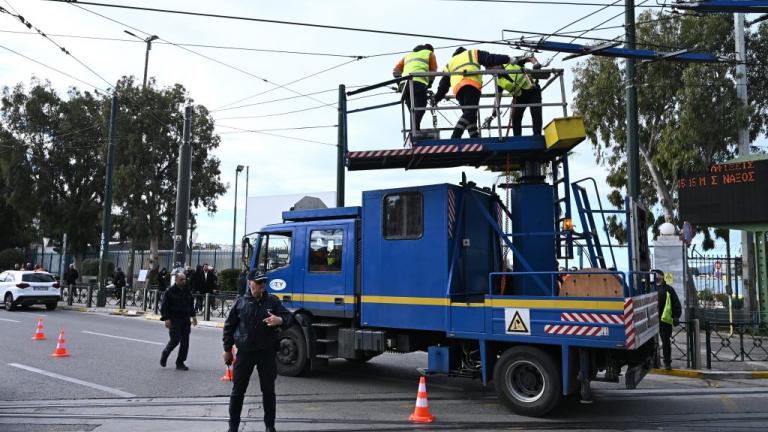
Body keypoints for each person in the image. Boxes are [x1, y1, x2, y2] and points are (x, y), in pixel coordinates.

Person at [223, 272, 292, 432]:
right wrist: (227, 350)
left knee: (268, 390)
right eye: (258, 282)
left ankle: (270, 426)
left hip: (266, 352)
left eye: (264, 282)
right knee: (238, 391)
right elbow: (229, 327)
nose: (262, 285)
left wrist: (279, 320)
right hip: (245, 353)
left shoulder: (272, 301)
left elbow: (289, 318)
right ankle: (233, 427)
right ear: (250, 283)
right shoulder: (240, 302)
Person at [434, 47, 511, 139]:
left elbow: (444, 83)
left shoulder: (450, 62)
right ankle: (456, 135)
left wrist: (437, 98)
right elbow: (490, 59)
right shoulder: (471, 53)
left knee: (470, 114)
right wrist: (509, 59)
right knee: (470, 112)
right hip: (471, 84)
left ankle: (474, 136)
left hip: (458, 89)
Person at [483, 55, 550, 136]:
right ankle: (517, 137)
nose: (492, 73)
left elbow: (530, 57)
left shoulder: (512, 62)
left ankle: (537, 135)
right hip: (520, 97)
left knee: (536, 112)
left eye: (491, 69)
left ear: (495, 64)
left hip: (532, 90)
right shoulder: (499, 82)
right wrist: (493, 114)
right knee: (515, 118)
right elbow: (497, 98)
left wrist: (536, 64)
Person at [393, 43, 438, 131]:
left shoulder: (408, 56)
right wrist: (429, 84)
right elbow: (433, 70)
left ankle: (415, 131)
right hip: (418, 83)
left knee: (413, 111)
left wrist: (400, 84)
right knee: (420, 107)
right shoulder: (429, 53)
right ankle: (415, 131)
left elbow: (395, 71)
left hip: (405, 86)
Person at [159, 272, 197, 370]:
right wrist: (166, 318)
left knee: (185, 341)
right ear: (176, 280)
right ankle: (165, 353)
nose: (184, 281)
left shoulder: (187, 290)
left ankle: (180, 362)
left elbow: (190, 304)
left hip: (185, 319)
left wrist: (194, 316)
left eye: (185, 279)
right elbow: (164, 307)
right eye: (181, 280)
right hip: (174, 319)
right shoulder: (169, 291)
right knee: (175, 340)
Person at [653, 269, 681, 370]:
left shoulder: (668, 289)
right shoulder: (649, 288)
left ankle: (667, 362)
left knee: (666, 342)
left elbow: (675, 303)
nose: (654, 276)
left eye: (656, 274)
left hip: (664, 320)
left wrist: (676, 316)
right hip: (651, 321)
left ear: (661, 276)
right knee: (651, 343)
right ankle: (653, 362)